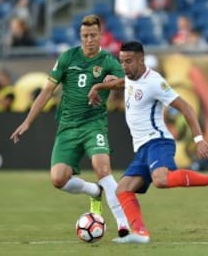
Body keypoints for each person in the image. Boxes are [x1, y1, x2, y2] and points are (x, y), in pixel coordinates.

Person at [88, 41, 208, 243]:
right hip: (143, 148)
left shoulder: (154, 82)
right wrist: (99, 86)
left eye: (128, 61)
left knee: (162, 179)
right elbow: (121, 83)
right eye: (122, 61)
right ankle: (140, 234)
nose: (124, 66)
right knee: (123, 189)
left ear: (141, 60)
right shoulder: (130, 78)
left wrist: (198, 139)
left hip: (158, 141)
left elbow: (186, 107)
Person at [10, 14, 130, 238]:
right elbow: (47, 91)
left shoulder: (107, 61)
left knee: (102, 168)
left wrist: (102, 86)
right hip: (68, 126)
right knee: (58, 179)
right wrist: (27, 121)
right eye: (85, 36)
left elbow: (126, 81)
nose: (89, 40)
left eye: (93, 35)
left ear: (100, 36)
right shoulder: (68, 57)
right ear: (80, 36)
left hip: (94, 124)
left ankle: (123, 224)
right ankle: (94, 191)